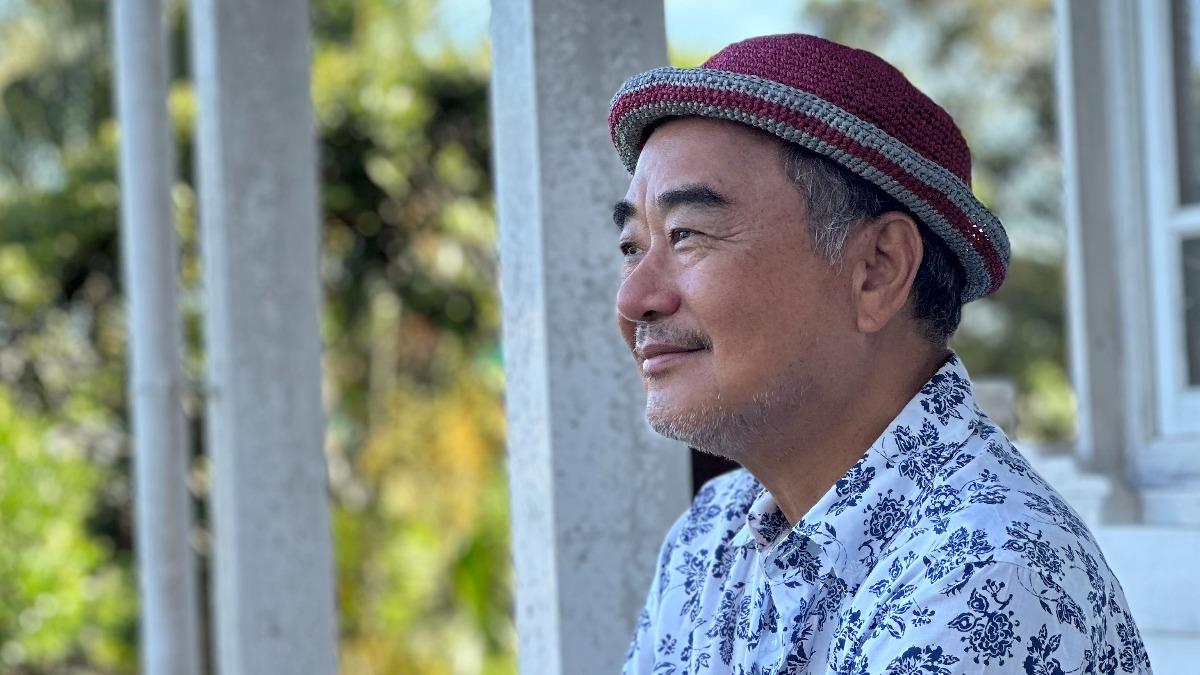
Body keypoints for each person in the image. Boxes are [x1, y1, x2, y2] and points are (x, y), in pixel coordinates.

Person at [608, 34, 1151, 674]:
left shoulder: (987, 575)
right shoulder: (712, 535)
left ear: (878, 270)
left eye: (687, 234)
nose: (633, 298)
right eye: (632, 246)